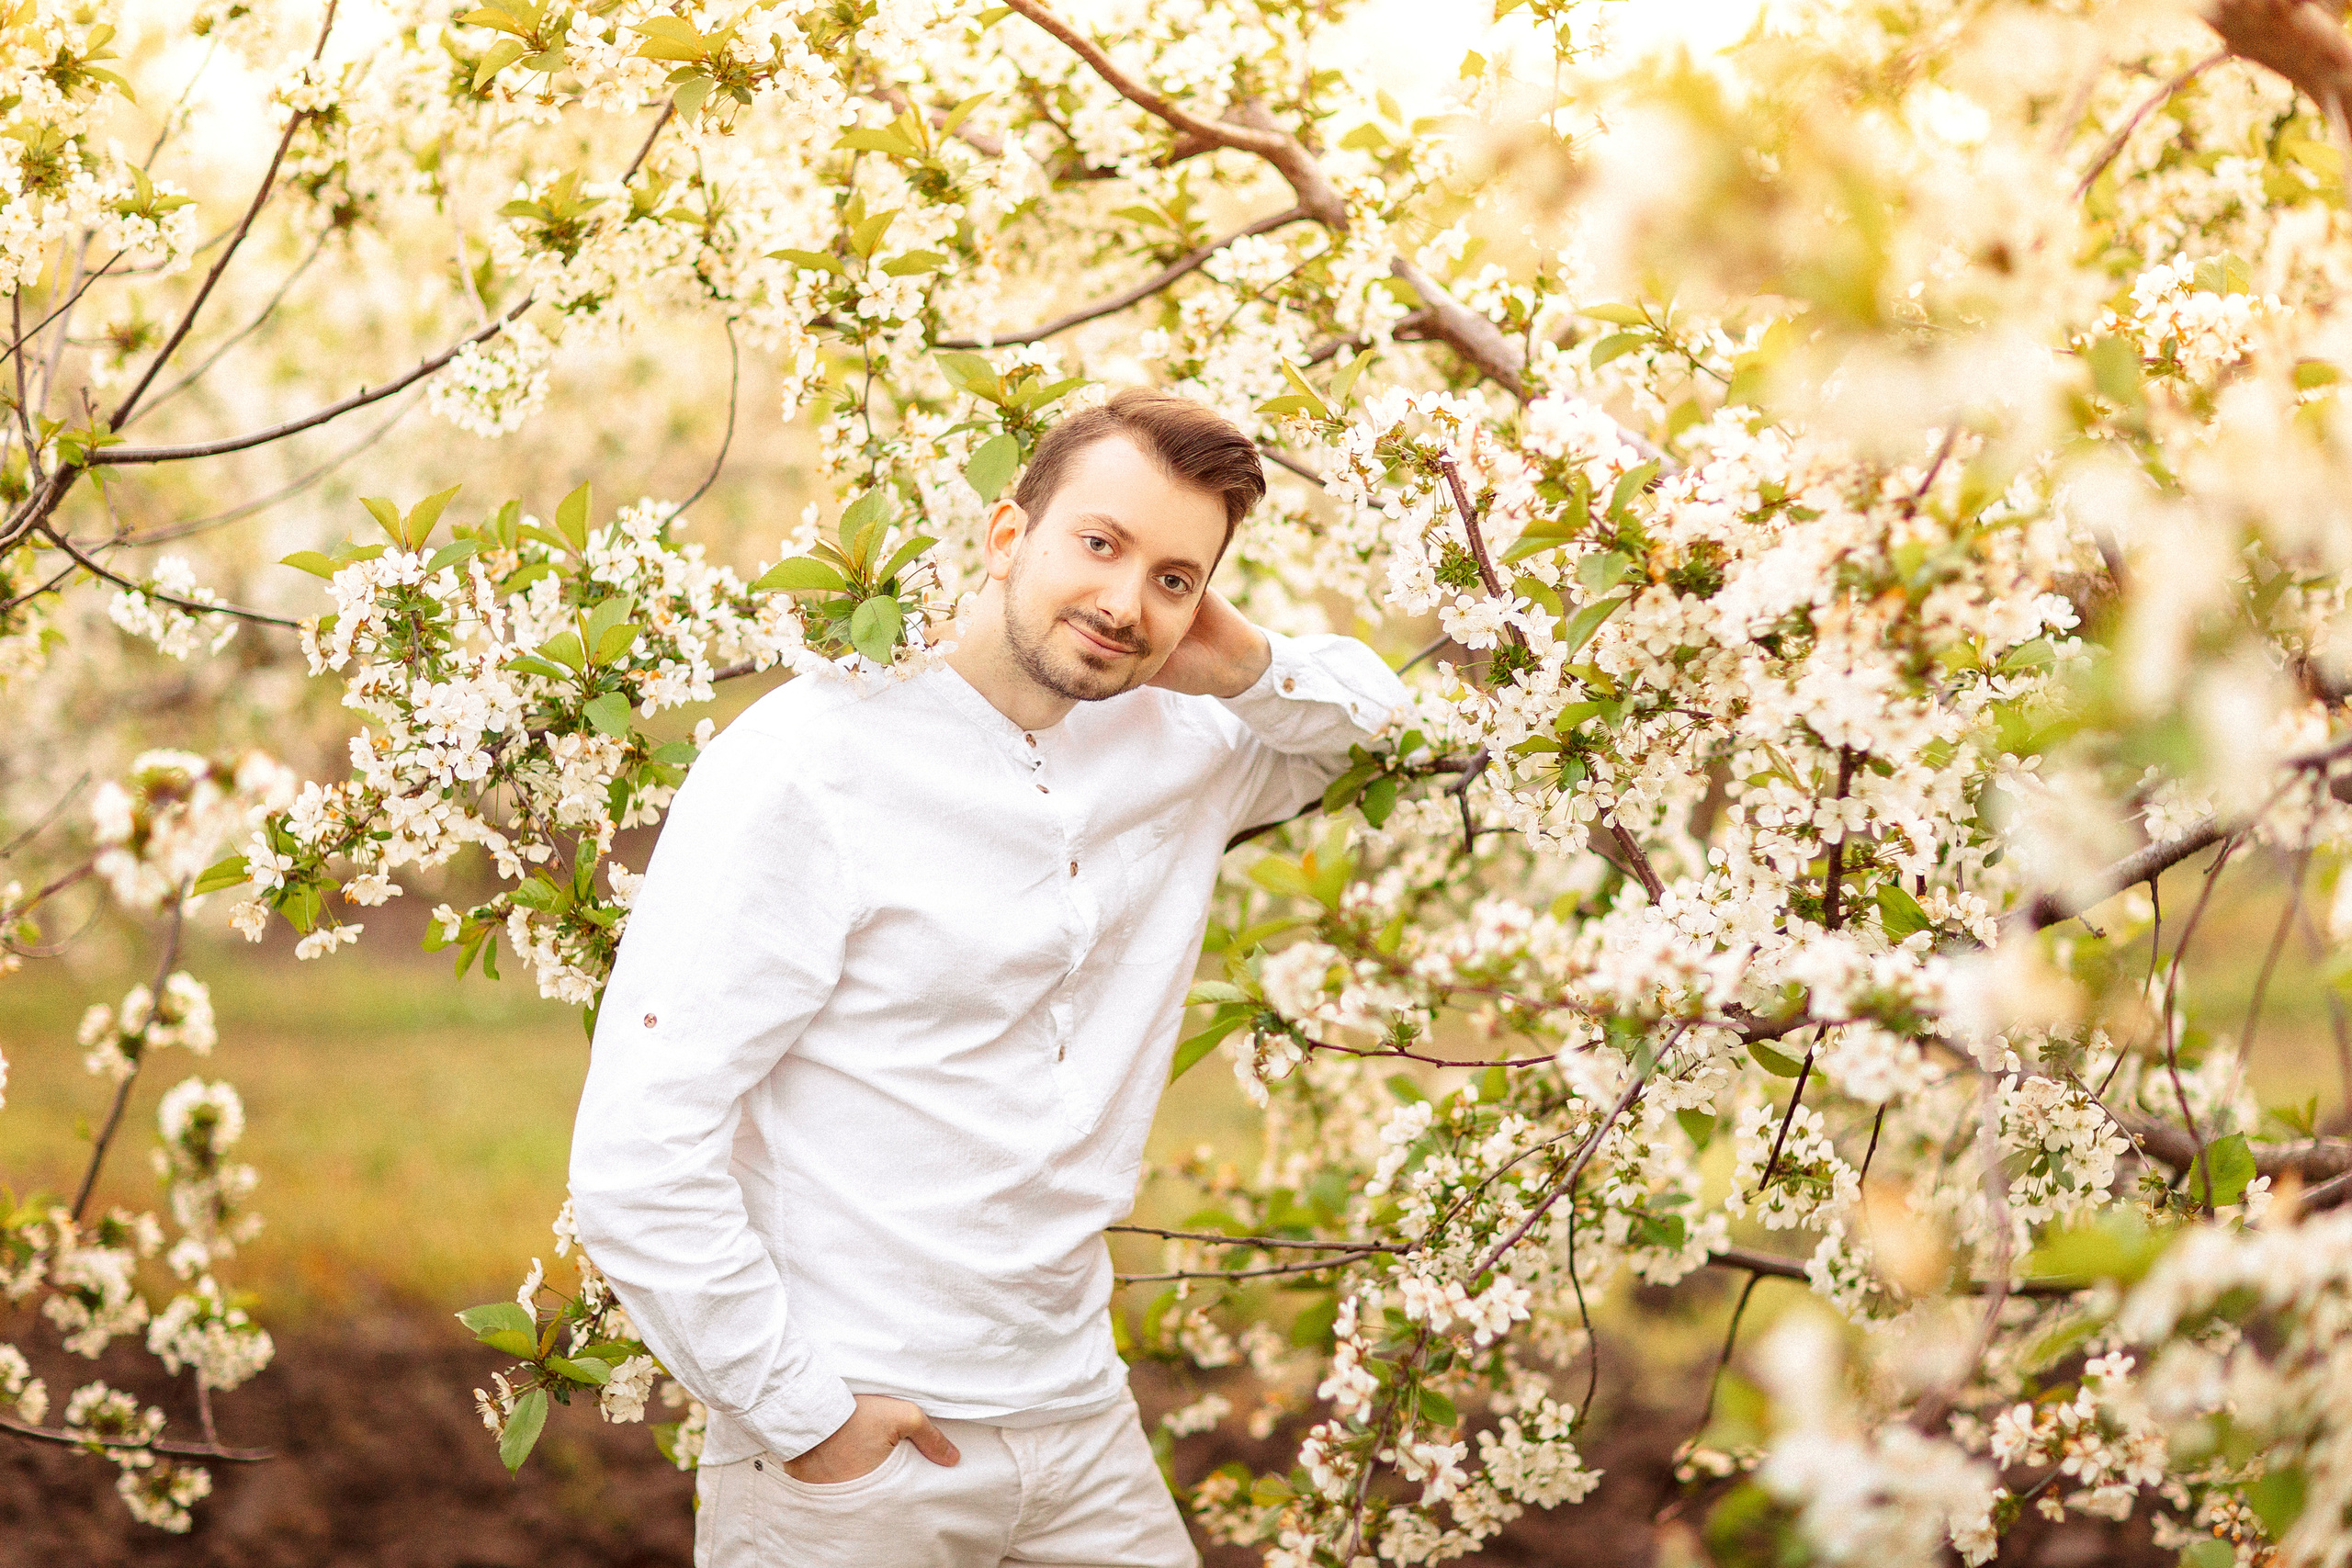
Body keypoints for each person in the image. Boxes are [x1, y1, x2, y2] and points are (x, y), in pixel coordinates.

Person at [568, 389, 1408, 1567]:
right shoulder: (803, 766)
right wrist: (806, 1420)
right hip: (858, 1450)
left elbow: (1386, 738)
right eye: (1099, 544)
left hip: (1079, 1420)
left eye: (1175, 577)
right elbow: (637, 1154)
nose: (1124, 603)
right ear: (1008, 537)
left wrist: (1244, 662)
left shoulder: (1185, 748)